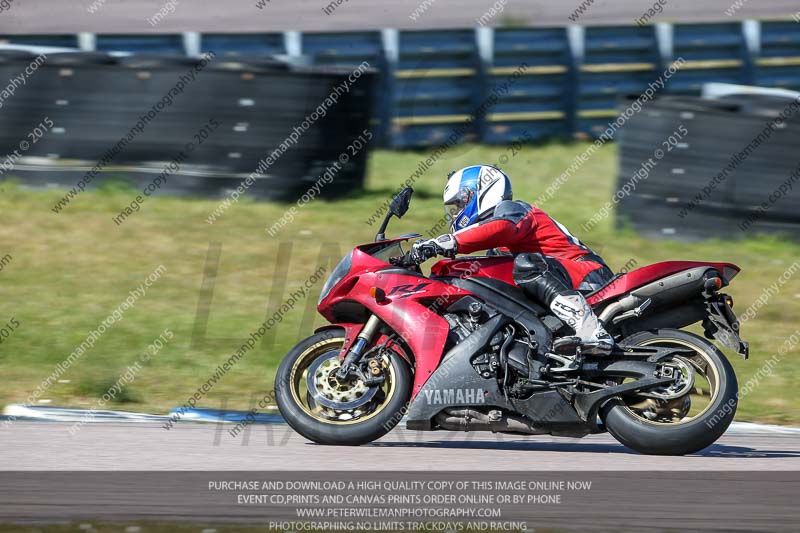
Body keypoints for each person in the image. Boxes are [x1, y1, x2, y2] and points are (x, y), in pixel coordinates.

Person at [411, 164, 615, 356]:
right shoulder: (495, 246)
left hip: (589, 274)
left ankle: (593, 332)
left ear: (478, 193)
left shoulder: (513, 210)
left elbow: (503, 227)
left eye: (459, 204)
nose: (455, 213)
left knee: (527, 263)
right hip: (564, 280)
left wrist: (447, 242)